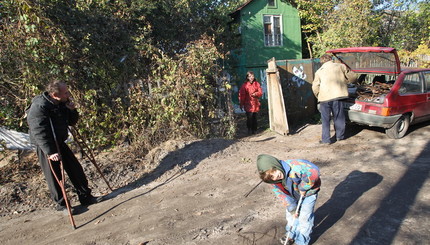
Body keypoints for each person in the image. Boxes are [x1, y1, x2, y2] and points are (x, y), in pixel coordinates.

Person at [26, 80, 102, 213]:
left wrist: (72, 110)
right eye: (65, 92)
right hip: (46, 145)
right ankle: (62, 205)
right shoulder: (39, 106)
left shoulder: (62, 103)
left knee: (75, 169)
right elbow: (38, 131)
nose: (68, 94)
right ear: (55, 94)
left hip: (60, 141)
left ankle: (86, 197)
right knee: (55, 176)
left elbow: (71, 122)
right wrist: (50, 152)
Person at [256, 154, 321, 245]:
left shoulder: (296, 166)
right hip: (292, 195)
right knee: (291, 215)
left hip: (309, 193)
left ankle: (302, 241)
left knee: (304, 217)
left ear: (276, 165)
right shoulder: (275, 182)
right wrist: (292, 208)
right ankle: (291, 234)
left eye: (274, 171)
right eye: (271, 177)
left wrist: (303, 187)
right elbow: (282, 195)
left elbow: (314, 173)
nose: (275, 176)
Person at [312, 54, 353, 144]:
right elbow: (353, 77)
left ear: (321, 61)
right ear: (331, 59)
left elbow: (315, 87)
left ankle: (326, 140)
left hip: (324, 98)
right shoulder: (341, 66)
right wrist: (347, 82)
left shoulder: (319, 71)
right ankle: (340, 137)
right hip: (338, 96)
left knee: (325, 120)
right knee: (339, 117)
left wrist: (318, 95)